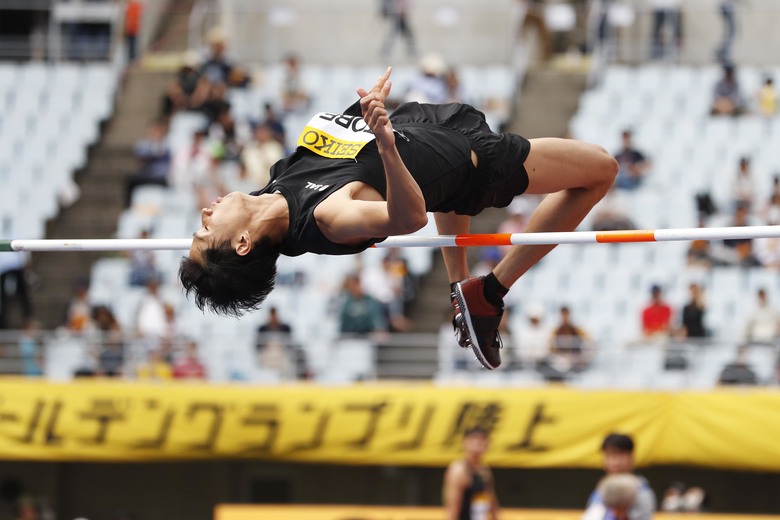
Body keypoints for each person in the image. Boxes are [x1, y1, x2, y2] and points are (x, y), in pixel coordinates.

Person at [179, 67, 618, 370]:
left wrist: (367, 114)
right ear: (241, 243)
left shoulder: (271, 190)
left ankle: (461, 289)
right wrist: (386, 144)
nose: (204, 213)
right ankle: (492, 290)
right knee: (600, 170)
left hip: (426, 126)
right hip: (472, 162)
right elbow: (408, 217)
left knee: (446, 189)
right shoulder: (328, 217)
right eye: (205, 230)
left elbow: (346, 154)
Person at [586, 433, 656, 520]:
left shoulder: (640, 489)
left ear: (631, 456)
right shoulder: (600, 490)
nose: (614, 461)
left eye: (619, 454)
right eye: (609, 455)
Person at [443, 427, 500, 520]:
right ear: (465, 442)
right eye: (474, 439)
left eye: (482, 439)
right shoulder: (458, 471)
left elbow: (492, 501)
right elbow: (453, 508)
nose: (478, 443)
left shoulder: (485, 471)